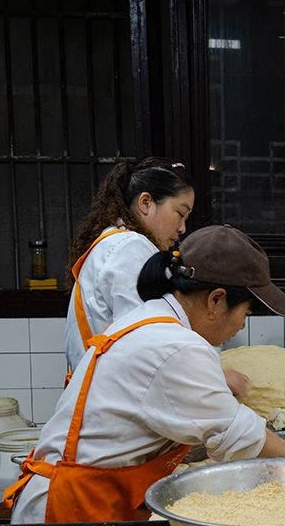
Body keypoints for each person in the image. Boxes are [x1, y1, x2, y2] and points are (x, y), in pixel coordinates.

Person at [5, 225, 285, 523]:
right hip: (68, 505)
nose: (243, 324)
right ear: (216, 300)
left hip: (84, 493)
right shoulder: (175, 345)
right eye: (247, 312)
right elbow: (235, 434)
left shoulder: (152, 321)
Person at [65, 158, 195, 375]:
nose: (182, 228)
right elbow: (145, 342)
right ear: (146, 203)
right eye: (180, 214)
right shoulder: (130, 249)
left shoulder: (115, 242)